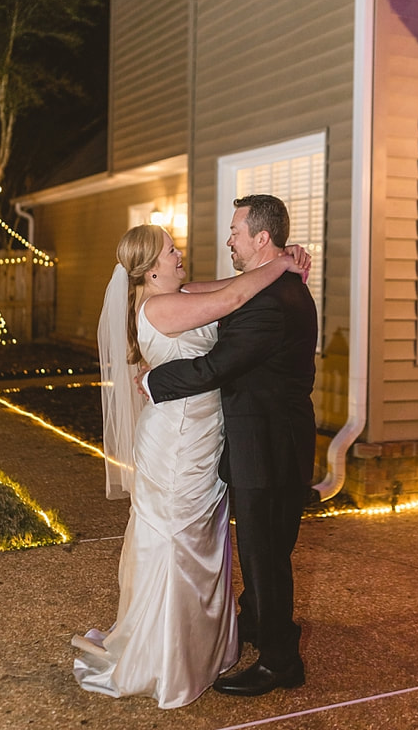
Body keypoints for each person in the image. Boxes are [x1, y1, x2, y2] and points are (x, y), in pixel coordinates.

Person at [72, 220, 308, 708]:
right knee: (177, 542)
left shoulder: (178, 292)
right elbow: (231, 301)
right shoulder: (160, 305)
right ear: (150, 269)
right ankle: (168, 656)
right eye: (170, 251)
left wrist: (275, 263)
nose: (180, 255)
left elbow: (231, 286)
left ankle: (206, 644)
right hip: (176, 442)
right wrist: (282, 264)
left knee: (204, 540)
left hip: (204, 438)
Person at [144, 194, 318, 697]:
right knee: (270, 546)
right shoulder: (276, 286)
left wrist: (157, 381)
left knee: (265, 552)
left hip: (267, 444)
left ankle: (281, 662)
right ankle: (259, 623)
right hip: (276, 437)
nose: (229, 241)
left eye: (236, 232)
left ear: (262, 239)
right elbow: (215, 294)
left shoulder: (270, 304)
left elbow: (218, 366)